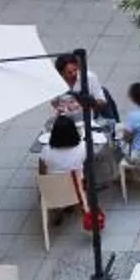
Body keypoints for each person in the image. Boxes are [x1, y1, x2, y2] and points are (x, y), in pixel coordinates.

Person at [35, 95, 90, 228]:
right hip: (76, 188)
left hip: (53, 191)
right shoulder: (82, 148)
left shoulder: (46, 151)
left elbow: (42, 173)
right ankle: (71, 204)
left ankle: (58, 210)